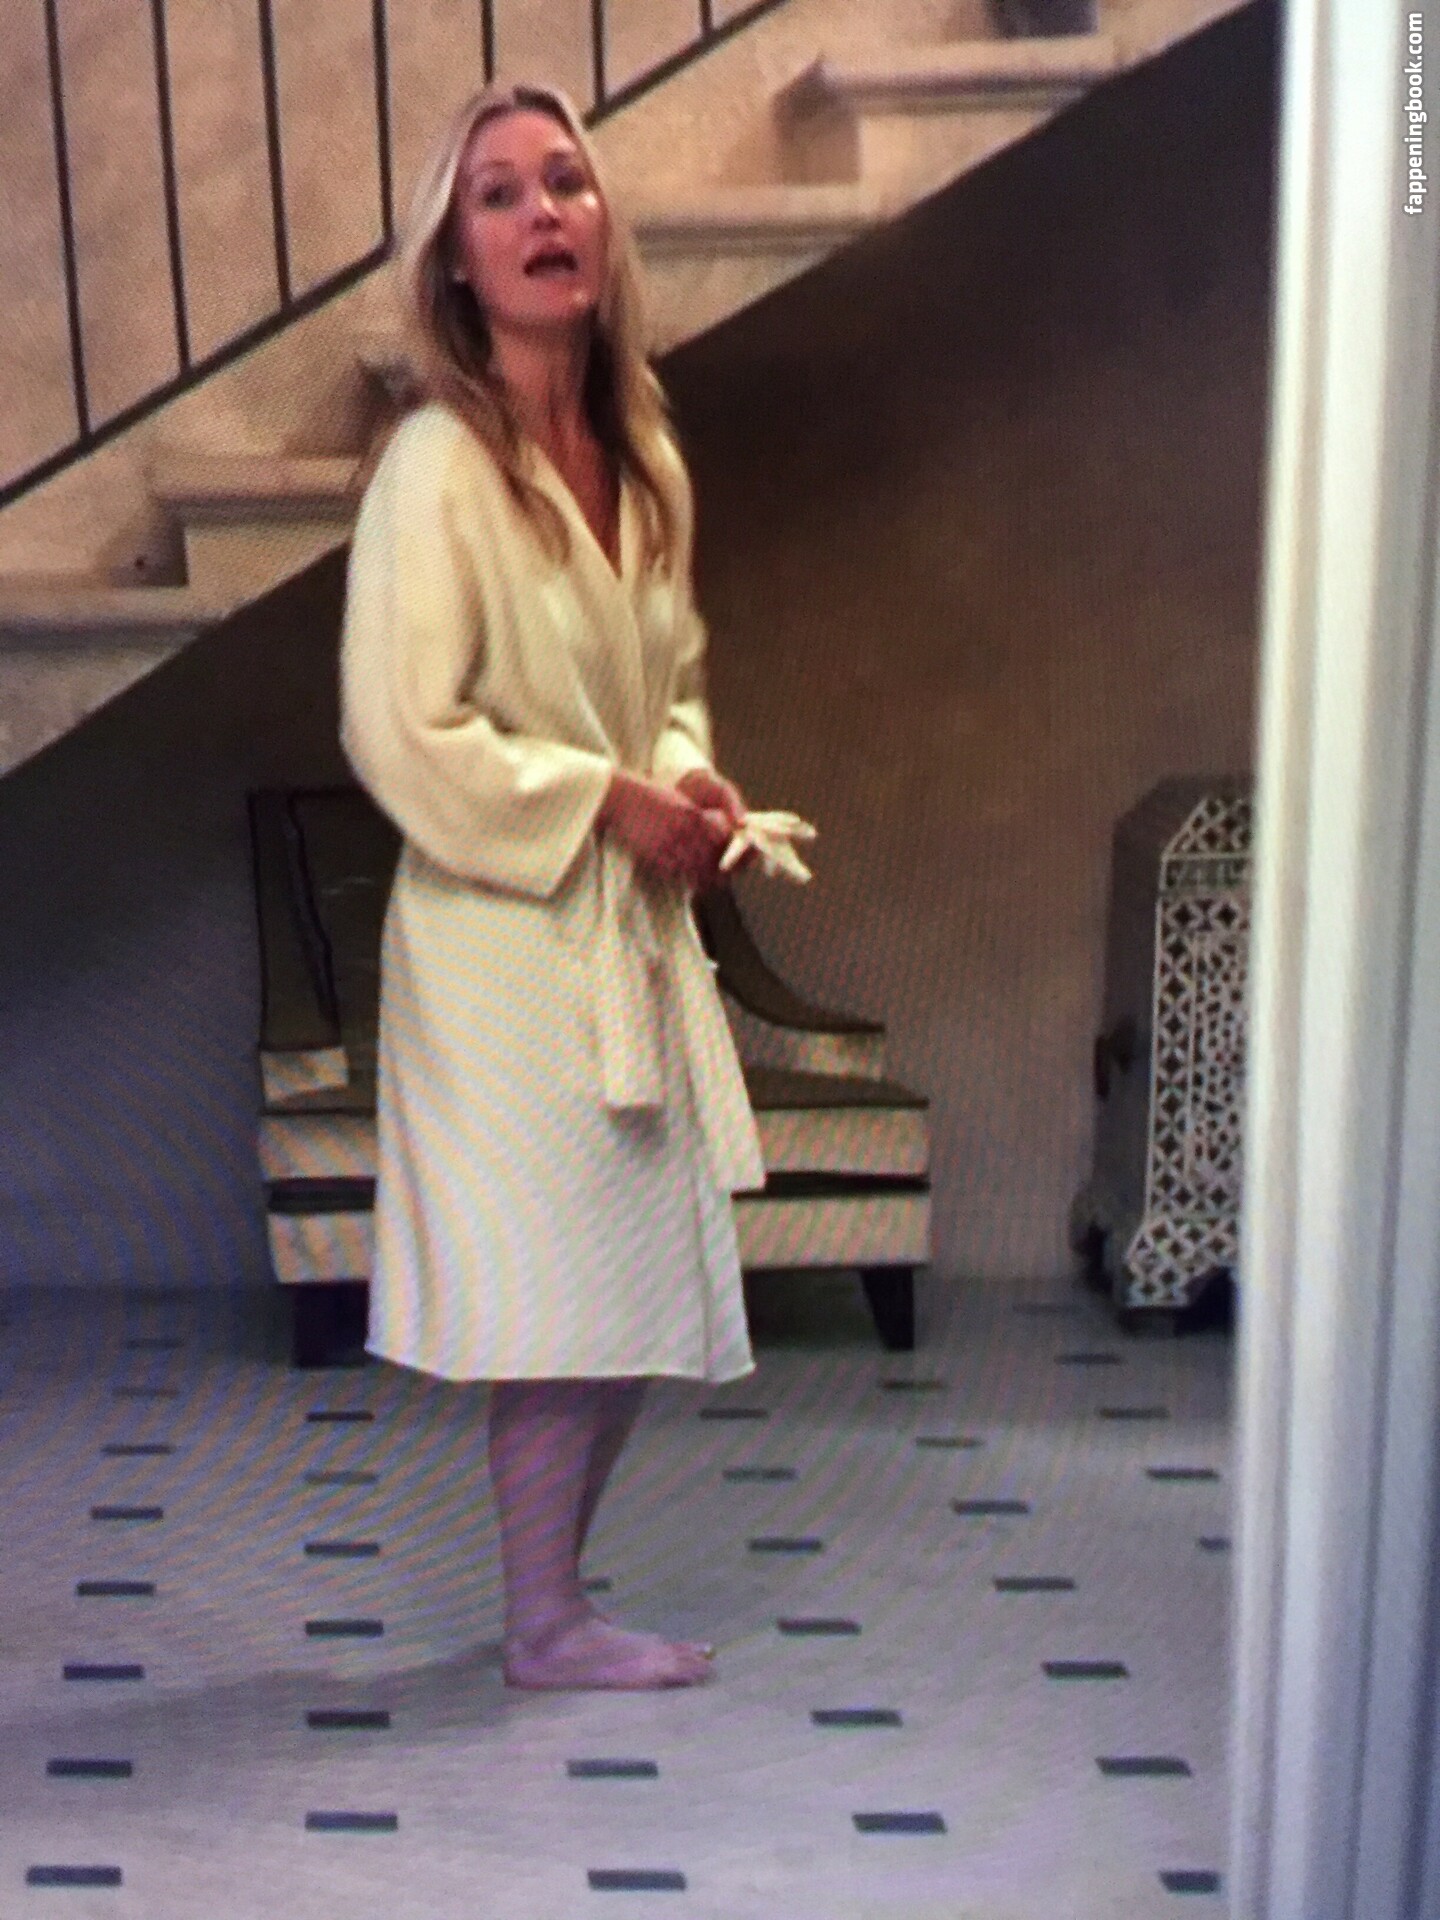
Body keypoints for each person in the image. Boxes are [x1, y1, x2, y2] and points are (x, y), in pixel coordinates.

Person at [339, 82, 771, 1691]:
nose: (541, 215)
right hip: (501, 937)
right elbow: (403, 726)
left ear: (603, 226)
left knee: (632, 1285)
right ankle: (545, 1626)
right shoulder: (437, 465)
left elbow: (672, 677)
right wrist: (604, 801)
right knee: (558, 1297)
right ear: (455, 260)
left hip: (620, 934)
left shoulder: (643, 452)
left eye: (565, 184)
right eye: (500, 195)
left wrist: (691, 776)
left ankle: (553, 1609)